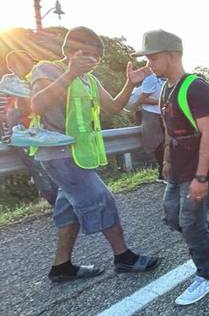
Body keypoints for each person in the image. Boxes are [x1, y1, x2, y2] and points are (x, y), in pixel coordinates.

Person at [28, 26, 160, 282]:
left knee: (68, 209)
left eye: (95, 57)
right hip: (58, 155)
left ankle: (61, 266)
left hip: (78, 155)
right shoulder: (46, 69)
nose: (91, 60)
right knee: (102, 199)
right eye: (85, 54)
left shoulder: (90, 79)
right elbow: (36, 104)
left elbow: (112, 107)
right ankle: (123, 257)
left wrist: (129, 84)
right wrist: (69, 74)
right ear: (68, 51)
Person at [136, 29, 209, 305]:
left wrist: (201, 177)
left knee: (190, 224)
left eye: (152, 58)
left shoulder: (195, 87)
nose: (149, 64)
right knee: (173, 218)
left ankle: (207, 276)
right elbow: (171, 130)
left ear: (171, 56)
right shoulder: (165, 89)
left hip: (201, 172)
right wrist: (168, 161)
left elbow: (208, 133)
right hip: (179, 170)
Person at [0, 50, 59, 205]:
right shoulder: (9, 82)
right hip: (18, 134)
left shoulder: (32, 80)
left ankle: (61, 201)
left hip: (37, 131)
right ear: (12, 66)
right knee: (39, 167)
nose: (29, 66)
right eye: (24, 63)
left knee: (51, 164)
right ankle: (56, 202)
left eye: (30, 62)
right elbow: (31, 98)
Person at [136, 71, 166, 182]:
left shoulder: (167, 77)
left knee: (167, 143)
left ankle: (166, 172)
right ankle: (163, 173)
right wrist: (161, 101)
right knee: (158, 144)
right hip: (151, 114)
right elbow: (142, 99)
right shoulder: (151, 78)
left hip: (163, 113)